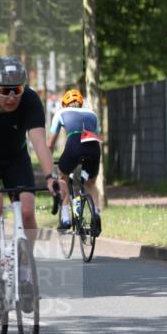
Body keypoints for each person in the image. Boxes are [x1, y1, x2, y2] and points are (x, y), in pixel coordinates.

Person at [0, 57, 59, 308]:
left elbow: (39, 143)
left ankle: (25, 277)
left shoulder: (30, 100)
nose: (12, 97)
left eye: (17, 90)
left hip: (16, 157)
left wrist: (51, 177)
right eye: (5, 91)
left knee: (27, 210)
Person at [48, 88, 102, 235]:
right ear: (81, 103)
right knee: (91, 183)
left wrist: (47, 161)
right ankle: (96, 214)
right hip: (93, 145)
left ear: (65, 104)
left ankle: (65, 219)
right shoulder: (92, 113)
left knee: (62, 177)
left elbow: (50, 144)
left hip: (74, 144)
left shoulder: (60, 113)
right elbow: (96, 132)